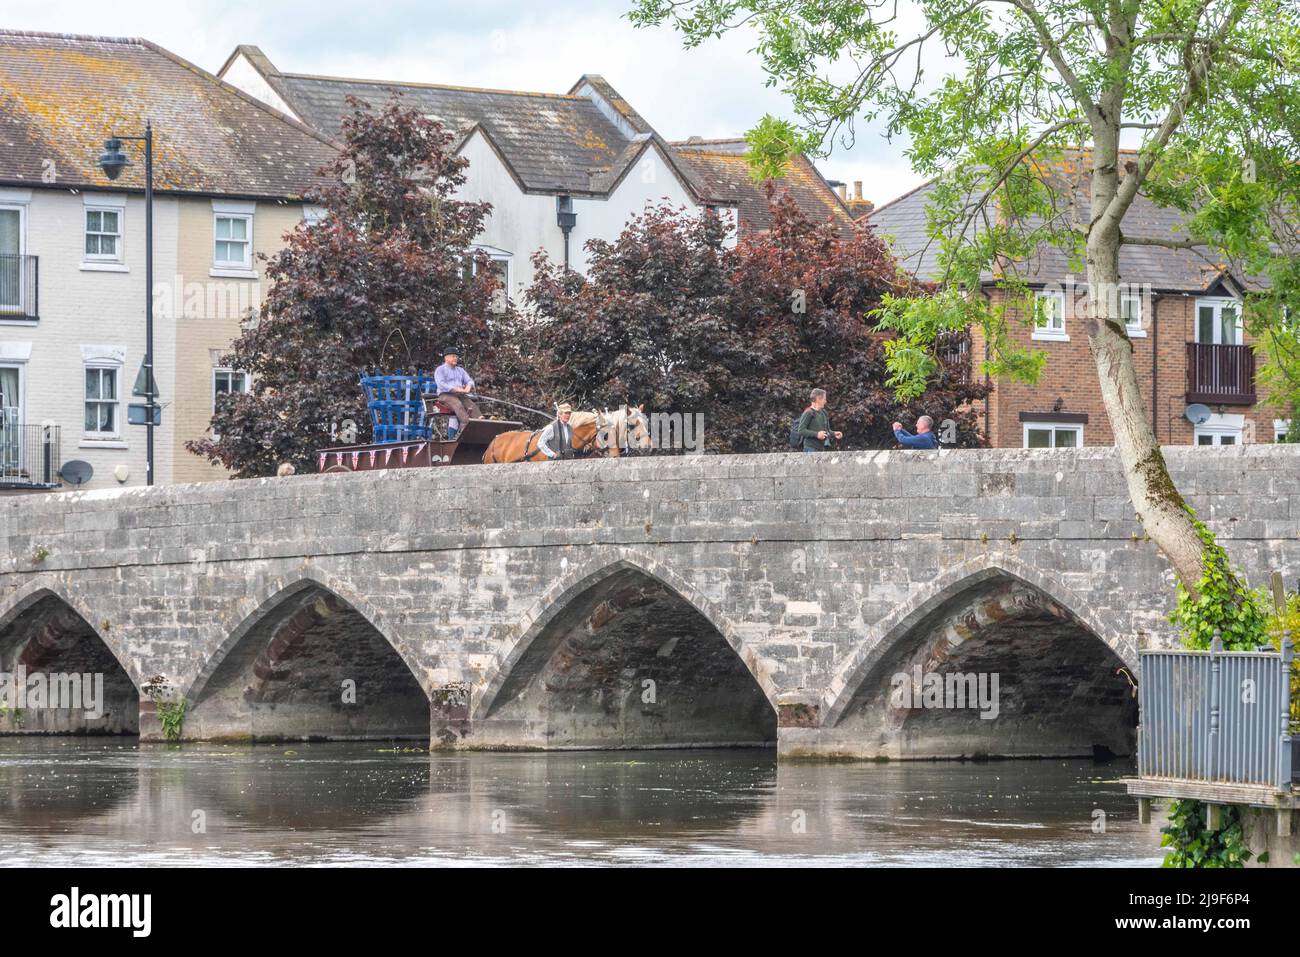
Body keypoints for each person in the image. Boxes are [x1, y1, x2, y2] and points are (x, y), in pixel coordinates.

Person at [433, 349, 481, 439]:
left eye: (456, 357)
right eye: (453, 356)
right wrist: (456, 389)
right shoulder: (440, 370)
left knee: (471, 405)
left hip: (460, 394)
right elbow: (441, 384)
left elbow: (469, 380)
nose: (455, 358)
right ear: (446, 358)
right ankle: (466, 425)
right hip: (445, 395)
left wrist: (468, 387)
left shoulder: (460, 370)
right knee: (457, 405)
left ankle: (480, 421)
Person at [797, 389, 842, 453]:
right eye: (824, 399)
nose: (825, 401)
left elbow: (827, 430)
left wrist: (834, 434)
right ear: (818, 399)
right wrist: (817, 434)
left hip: (821, 448)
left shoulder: (823, 412)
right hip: (810, 449)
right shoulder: (808, 412)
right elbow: (801, 430)